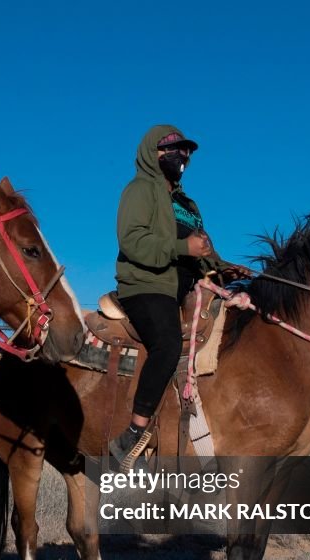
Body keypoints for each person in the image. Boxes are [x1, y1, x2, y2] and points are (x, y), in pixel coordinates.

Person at [108, 125, 224, 469]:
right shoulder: (140, 190)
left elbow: (201, 250)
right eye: (173, 149)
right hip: (147, 285)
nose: (182, 156)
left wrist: (221, 266)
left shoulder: (188, 204)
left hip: (185, 288)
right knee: (167, 343)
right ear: (151, 153)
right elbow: (132, 241)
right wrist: (180, 247)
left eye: (186, 150)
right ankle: (133, 433)